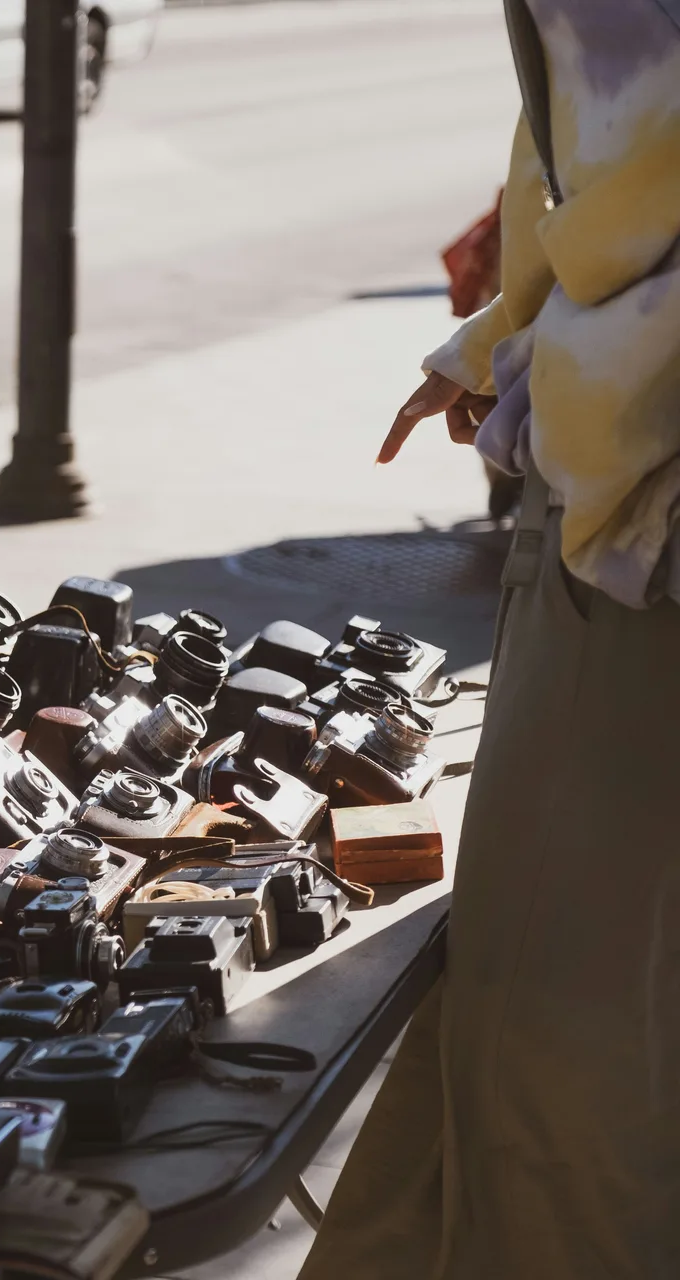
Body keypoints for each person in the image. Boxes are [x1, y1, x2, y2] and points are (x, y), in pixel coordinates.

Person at [303, 1, 680, 1275]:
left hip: (640, 553)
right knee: (524, 1030)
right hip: (615, 520)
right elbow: (598, 155)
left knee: (562, 1062)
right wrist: (507, 342)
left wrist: (554, 382)